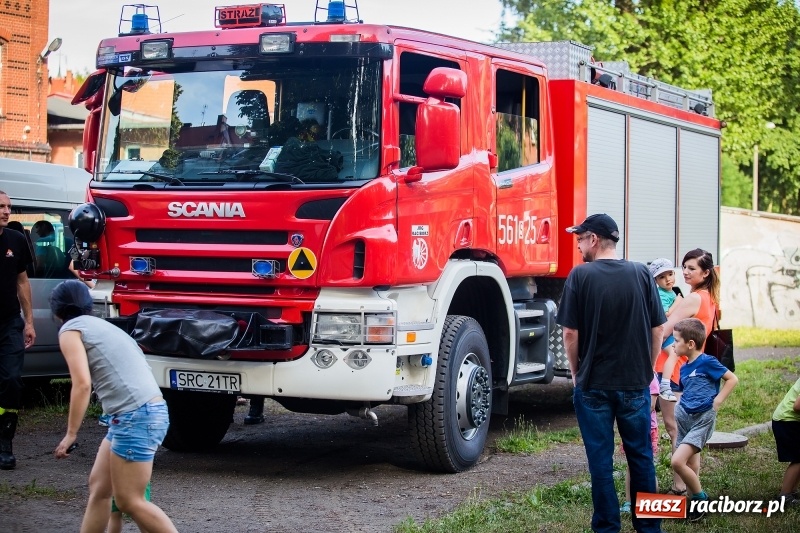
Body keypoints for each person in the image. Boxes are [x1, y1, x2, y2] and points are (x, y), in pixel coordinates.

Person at [556, 213, 666, 533]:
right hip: (635, 383)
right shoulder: (641, 273)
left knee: (601, 464)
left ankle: (607, 528)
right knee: (641, 459)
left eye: (579, 238)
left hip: (593, 385)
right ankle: (650, 528)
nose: (577, 245)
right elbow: (658, 328)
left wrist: (577, 373)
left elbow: (570, 334)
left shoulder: (580, 277)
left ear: (593, 239)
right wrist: (647, 368)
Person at [51, 280, 177, 532]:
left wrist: (71, 434)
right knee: (100, 489)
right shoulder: (101, 325)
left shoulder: (70, 330)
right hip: (138, 413)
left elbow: (83, 384)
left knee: (130, 501)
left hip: (136, 416)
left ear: (57, 310)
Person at [656, 248, 720, 495]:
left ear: (706, 272)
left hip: (677, 371)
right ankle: (693, 489)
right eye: (684, 267)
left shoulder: (693, 299)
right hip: (695, 372)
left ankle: (681, 487)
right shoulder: (709, 296)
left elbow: (665, 329)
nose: (685, 272)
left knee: (677, 431)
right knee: (689, 434)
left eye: (692, 268)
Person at [670, 318, 738, 521]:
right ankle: (694, 505)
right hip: (685, 419)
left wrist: (717, 402)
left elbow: (732, 379)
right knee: (692, 464)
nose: (673, 344)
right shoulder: (683, 367)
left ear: (690, 344)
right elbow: (684, 391)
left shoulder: (707, 362)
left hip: (702, 419)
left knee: (677, 461)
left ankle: (700, 497)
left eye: (676, 340)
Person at [0, 191, 37, 470]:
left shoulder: (15, 240)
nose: (6, 211)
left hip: (9, 323)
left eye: (8, 206)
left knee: (12, 381)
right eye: (1, 206)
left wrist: (29, 321)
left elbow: (22, 282)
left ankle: (5, 443)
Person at [620, 372, 660, 514]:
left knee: (646, 465)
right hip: (630, 427)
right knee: (631, 465)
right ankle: (629, 501)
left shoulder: (650, 376)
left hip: (647, 428)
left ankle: (650, 503)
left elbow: (651, 405)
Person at [772, 376, 800, 506]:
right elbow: (797, 406)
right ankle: (785, 496)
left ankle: (791, 491)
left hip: (788, 420)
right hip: (788, 421)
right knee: (798, 459)